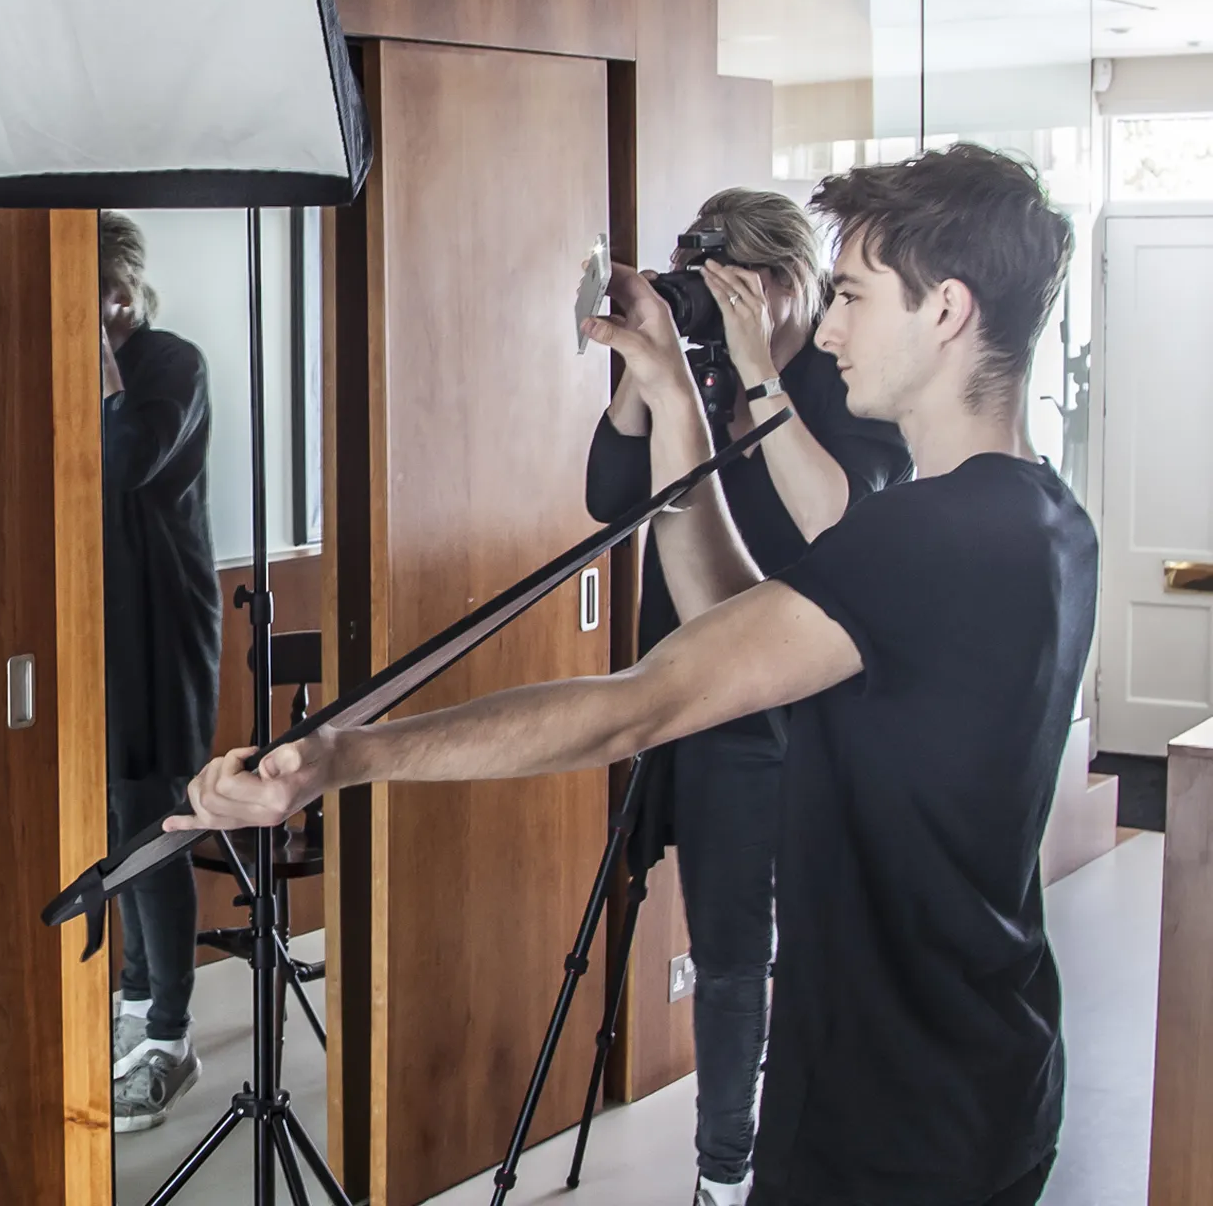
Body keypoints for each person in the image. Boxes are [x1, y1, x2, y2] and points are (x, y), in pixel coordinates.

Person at [170, 145, 1092, 1206]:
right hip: (978, 1073)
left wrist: (343, 755)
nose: (826, 328)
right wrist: (664, 391)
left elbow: (639, 703)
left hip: (894, 1116)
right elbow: (721, 619)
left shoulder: (928, 540)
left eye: (848, 295)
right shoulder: (1038, 517)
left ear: (945, 312)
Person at [586, 190, 910, 1206]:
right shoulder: (704, 375)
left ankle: (740, 1166)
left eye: (730, 290)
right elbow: (609, 501)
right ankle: (720, 1169)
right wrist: (649, 373)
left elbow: (840, 531)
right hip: (692, 695)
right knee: (722, 946)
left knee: (771, 951)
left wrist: (761, 375)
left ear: (781, 285)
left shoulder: (836, 384)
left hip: (791, 711)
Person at [98, 211, 225, 1133]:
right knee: (114, 812)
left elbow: (124, 459)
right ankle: (139, 1006)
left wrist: (98, 350)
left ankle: (172, 1037)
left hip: (163, 621)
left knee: (158, 810)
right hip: (98, 620)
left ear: (124, 293)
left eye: (101, 295)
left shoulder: (170, 363)